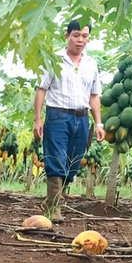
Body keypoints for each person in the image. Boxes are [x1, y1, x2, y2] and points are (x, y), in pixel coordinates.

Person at [33, 19, 105, 222]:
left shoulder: (91, 64)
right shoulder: (53, 60)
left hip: (82, 118)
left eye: (84, 36)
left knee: (73, 162)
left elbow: (94, 95)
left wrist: (98, 123)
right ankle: (54, 208)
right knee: (55, 159)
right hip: (57, 115)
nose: (80, 40)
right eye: (76, 35)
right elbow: (41, 89)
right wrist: (38, 119)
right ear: (67, 36)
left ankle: (51, 200)